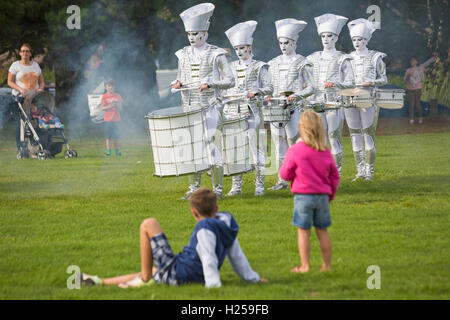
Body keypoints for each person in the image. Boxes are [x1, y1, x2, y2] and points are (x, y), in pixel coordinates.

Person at [79, 188, 267, 288]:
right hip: (185, 271)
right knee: (154, 270)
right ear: (216, 209)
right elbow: (236, 255)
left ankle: (144, 280)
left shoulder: (204, 227)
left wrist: (214, 287)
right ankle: (99, 281)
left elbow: (209, 258)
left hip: (181, 273)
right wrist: (252, 278)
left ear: (194, 213)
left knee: (148, 224)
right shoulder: (226, 222)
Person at [171, 3, 235, 199]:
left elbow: (230, 80)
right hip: (189, 107)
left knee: (213, 147)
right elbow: (180, 76)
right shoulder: (182, 55)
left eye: (196, 33)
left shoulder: (216, 54)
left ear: (205, 33)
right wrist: (178, 83)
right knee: (192, 148)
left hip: (210, 108)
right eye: (189, 34)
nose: (192, 38)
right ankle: (193, 189)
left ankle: (217, 190)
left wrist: (211, 84)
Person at [279, 110, 340, 273]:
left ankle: (305, 266)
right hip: (322, 197)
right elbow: (334, 175)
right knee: (323, 231)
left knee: (303, 232)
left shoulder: (295, 150)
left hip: (303, 197)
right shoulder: (325, 151)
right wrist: (330, 194)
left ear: (301, 128)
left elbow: (285, 174)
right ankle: (327, 266)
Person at [223, 20, 273, 197]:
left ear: (250, 47)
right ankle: (236, 186)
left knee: (257, 149)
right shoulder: (230, 67)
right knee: (235, 150)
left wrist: (255, 91)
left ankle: (259, 186)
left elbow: (269, 87)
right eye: (236, 49)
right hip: (232, 112)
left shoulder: (260, 66)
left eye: (242, 48)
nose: (239, 52)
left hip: (252, 112)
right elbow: (226, 86)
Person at [264, 18, 315, 191]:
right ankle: (282, 180)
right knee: (279, 144)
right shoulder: (272, 63)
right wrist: (268, 96)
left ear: (294, 42)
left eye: (286, 43)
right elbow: (269, 87)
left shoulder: (303, 62)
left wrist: (297, 95)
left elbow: (311, 87)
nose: (283, 46)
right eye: (280, 43)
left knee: (294, 143)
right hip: (277, 109)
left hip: (295, 109)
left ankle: (300, 178)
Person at [306, 14, 355, 175]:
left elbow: (351, 82)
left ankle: (336, 173)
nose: (326, 39)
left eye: (329, 36)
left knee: (334, 138)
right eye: (323, 36)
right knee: (319, 140)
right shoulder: (312, 58)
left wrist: (335, 84)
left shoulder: (343, 58)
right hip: (316, 103)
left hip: (334, 103)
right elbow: (305, 79)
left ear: (336, 38)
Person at [345, 18, 388, 181]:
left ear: (367, 40)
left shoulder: (376, 57)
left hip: (369, 98)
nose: (357, 43)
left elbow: (383, 78)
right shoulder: (347, 58)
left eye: (360, 40)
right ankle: (360, 171)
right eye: (354, 40)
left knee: (368, 134)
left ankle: (369, 172)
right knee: (354, 134)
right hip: (350, 98)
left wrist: (372, 82)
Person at [7, 43, 45, 156]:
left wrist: (41, 88)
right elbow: (10, 82)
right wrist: (20, 89)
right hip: (20, 98)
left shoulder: (35, 66)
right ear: (20, 53)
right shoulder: (15, 65)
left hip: (34, 97)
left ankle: (34, 148)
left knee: (35, 122)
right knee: (22, 124)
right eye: (23, 51)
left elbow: (41, 81)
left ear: (30, 53)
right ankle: (22, 149)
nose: (25, 53)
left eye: (27, 51)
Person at [404, 54, 437, 125]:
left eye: (414, 60)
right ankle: (411, 119)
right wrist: (408, 76)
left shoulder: (420, 68)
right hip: (410, 89)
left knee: (417, 104)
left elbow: (423, 78)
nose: (412, 61)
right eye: (411, 60)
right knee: (411, 104)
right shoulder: (408, 70)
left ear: (417, 61)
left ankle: (420, 117)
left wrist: (434, 57)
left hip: (417, 89)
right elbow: (405, 80)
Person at [101, 78, 122, 156]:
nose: (111, 87)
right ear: (106, 87)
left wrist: (116, 105)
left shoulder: (118, 96)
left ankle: (117, 152)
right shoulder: (104, 97)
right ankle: (109, 152)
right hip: (108, 120)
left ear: (114, 87)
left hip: (117, 119)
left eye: (112, 85)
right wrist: (110, 106)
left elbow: (121, 108)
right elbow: (102, 108)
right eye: (109, 86)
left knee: (116, 137)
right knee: (108, 137)